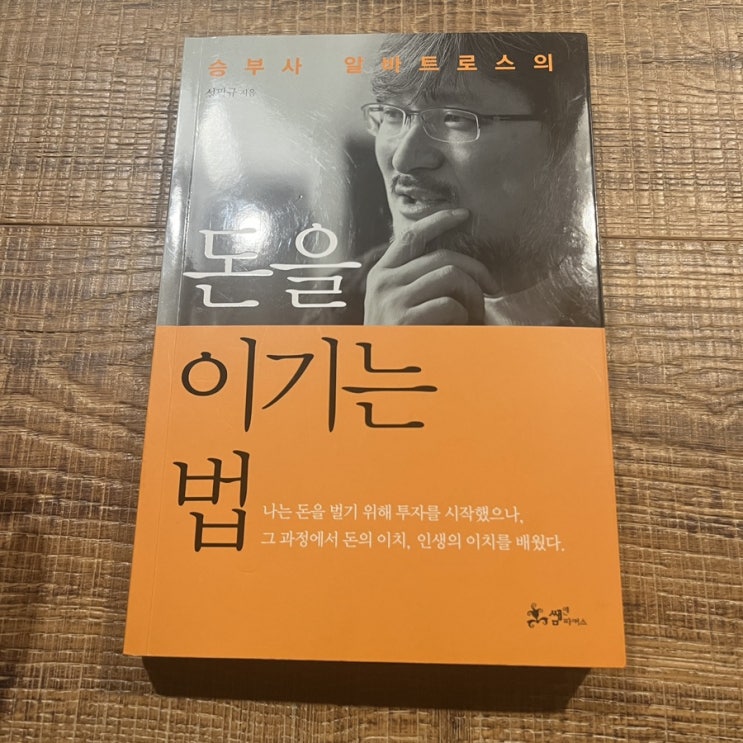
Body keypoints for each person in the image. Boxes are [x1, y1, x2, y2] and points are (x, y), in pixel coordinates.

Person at [351, 33, 602, 327]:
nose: (402, 159)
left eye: (455, 117)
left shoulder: (618, 304)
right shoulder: (343, 303)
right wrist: (377, 348)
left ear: (566, 138)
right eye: (391, 113)